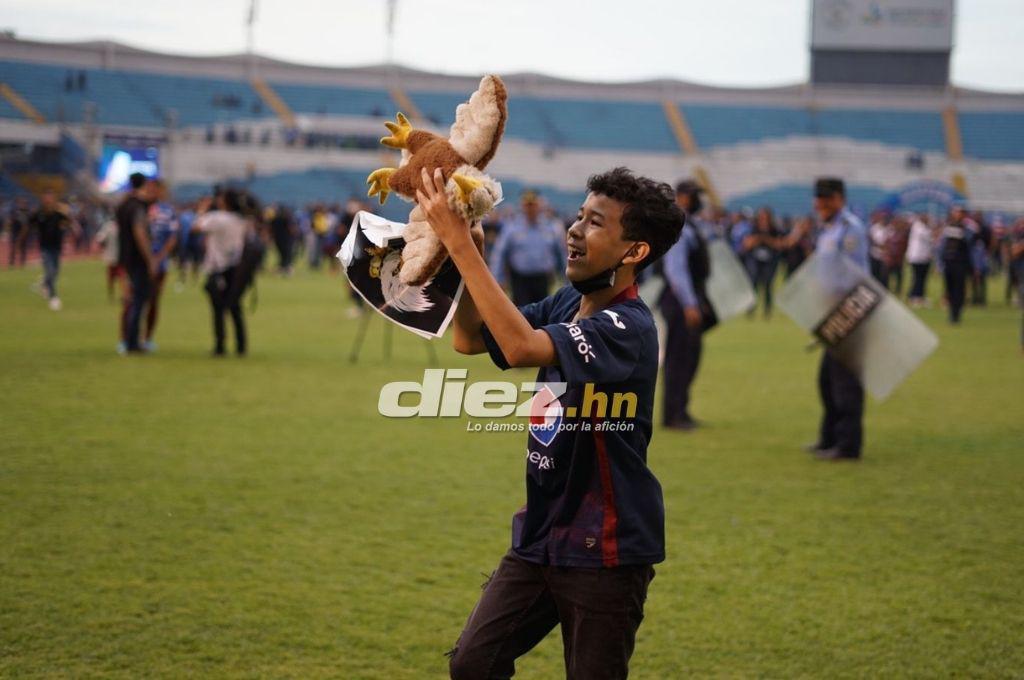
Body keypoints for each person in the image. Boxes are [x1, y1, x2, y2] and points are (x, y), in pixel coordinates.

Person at [419, 166, 681, 680]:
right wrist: (466, 247)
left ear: (634, 253)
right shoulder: (568, 301)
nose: (575, 230)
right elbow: (470, 339)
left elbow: (520, 348)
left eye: (596, 223)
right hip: (542, 532)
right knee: (473, 664)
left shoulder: (629, 327)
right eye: (579, 216)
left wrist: (462, 247)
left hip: (605, 549)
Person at [785, 177, 869, 462]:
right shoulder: (828, 230)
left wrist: (845, 312)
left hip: (847, 313)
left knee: (845, 383)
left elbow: (855, 277)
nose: (819, 203)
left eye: (826, 198)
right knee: (827, 381)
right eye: (817, 198)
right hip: (830, 314)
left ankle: (848, 446)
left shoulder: (850, 230)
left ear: (839, 199)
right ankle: (829, 437)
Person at [660, 179, 712, 431]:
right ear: (681, 197)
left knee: (689, 357)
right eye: (693, 196)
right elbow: (676, 270)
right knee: (679, 359)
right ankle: (674, 414)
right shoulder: (679, 227)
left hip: (686, 298)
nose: (697, 200)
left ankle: (681, 409)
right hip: (680, 300)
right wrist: (690, 304)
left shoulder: (690, 224)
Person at [488, 190, 567, 306]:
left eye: (533, 205)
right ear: (522, 206)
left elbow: (561, 254)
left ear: (539, 206)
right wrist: (498, 279)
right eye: (527, 205)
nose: (530, 209)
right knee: (522, 314)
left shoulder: (550, 227)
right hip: (520, 280)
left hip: (543, 279)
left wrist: (567, 278)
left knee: (543, 313)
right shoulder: (512, 227)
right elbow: (499, 254)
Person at [193, 189, 249, 356]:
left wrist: (202, 209)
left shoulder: (217, 218)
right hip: (236, 267)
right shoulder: (240, 219)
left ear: (224, 202)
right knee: (235, 307)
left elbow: (196, 227)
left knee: (218, 309)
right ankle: (241, 346)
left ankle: (220, 345)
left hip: (218, 267)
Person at [116, 173, 158, 353]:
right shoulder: (138, 208)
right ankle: (133, 342)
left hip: (126, 257)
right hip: (138, 259)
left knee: (134, 299)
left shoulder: (124, 205)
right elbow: (139, 233)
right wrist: (150, 259)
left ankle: (129, 340)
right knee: (139, 300)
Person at [26, 190, 78, 311]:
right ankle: (53, 296)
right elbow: (29, 224)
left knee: (55, 271)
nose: (48, 201)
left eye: (50, 199)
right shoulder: (39, 214)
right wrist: (24, 238)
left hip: (57, 247)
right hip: (45, 247)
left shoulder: (58, 214)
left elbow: (69, 222)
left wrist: (69, 229)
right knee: (49, 270)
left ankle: (45, 283)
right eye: (46, 199)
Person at [143, 180, 179, 351]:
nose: (150, 192)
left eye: (153, 189)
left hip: (160, 262)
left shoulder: (167, 211)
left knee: (153, 300)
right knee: (133, 301)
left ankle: (147, 337)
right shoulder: (138, 208)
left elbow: (173, 237)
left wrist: (160, 257)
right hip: (138, 262)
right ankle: (128, 337)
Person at [740, 206, 782, 318]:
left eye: (766, 216)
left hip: (769, 261)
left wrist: (767, 240)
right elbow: (746, 244)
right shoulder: (753, 228)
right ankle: (750, 309)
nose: (764, 219)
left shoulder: (774, 230)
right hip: (755, 260)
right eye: (762, 216)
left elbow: (779, 244)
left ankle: (767, 311)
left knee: (768, 285)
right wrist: (759, 239)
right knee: (753, 285)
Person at [939, 205, 974, 325]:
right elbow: (942, 246)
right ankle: (951, 313)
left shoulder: (968, 228)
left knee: (958, 289)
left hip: (960, 263)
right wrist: (940, 262)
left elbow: (970, 243)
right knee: (949, 289)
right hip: (948, 262)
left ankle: (956, 315)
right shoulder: (948, 227)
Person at [906, 213, 934, 307]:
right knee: (918, 278)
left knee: (922, 278)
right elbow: (929, 237)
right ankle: (915, 297)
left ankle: (920, 296)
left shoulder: (922, 227)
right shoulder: (918, 227)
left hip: (924, 257)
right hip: (917, 257)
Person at [5, 196, 31, 269]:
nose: (23, 204)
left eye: (24, 203)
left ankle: (22, 263)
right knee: (13, 248)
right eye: (21, 203)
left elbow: (27, 225)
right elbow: (10, 221)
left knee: (23, 249)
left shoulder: (27, 213)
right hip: (15, 232)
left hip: (24, 234)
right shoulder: (15, 212)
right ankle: (11, 263)